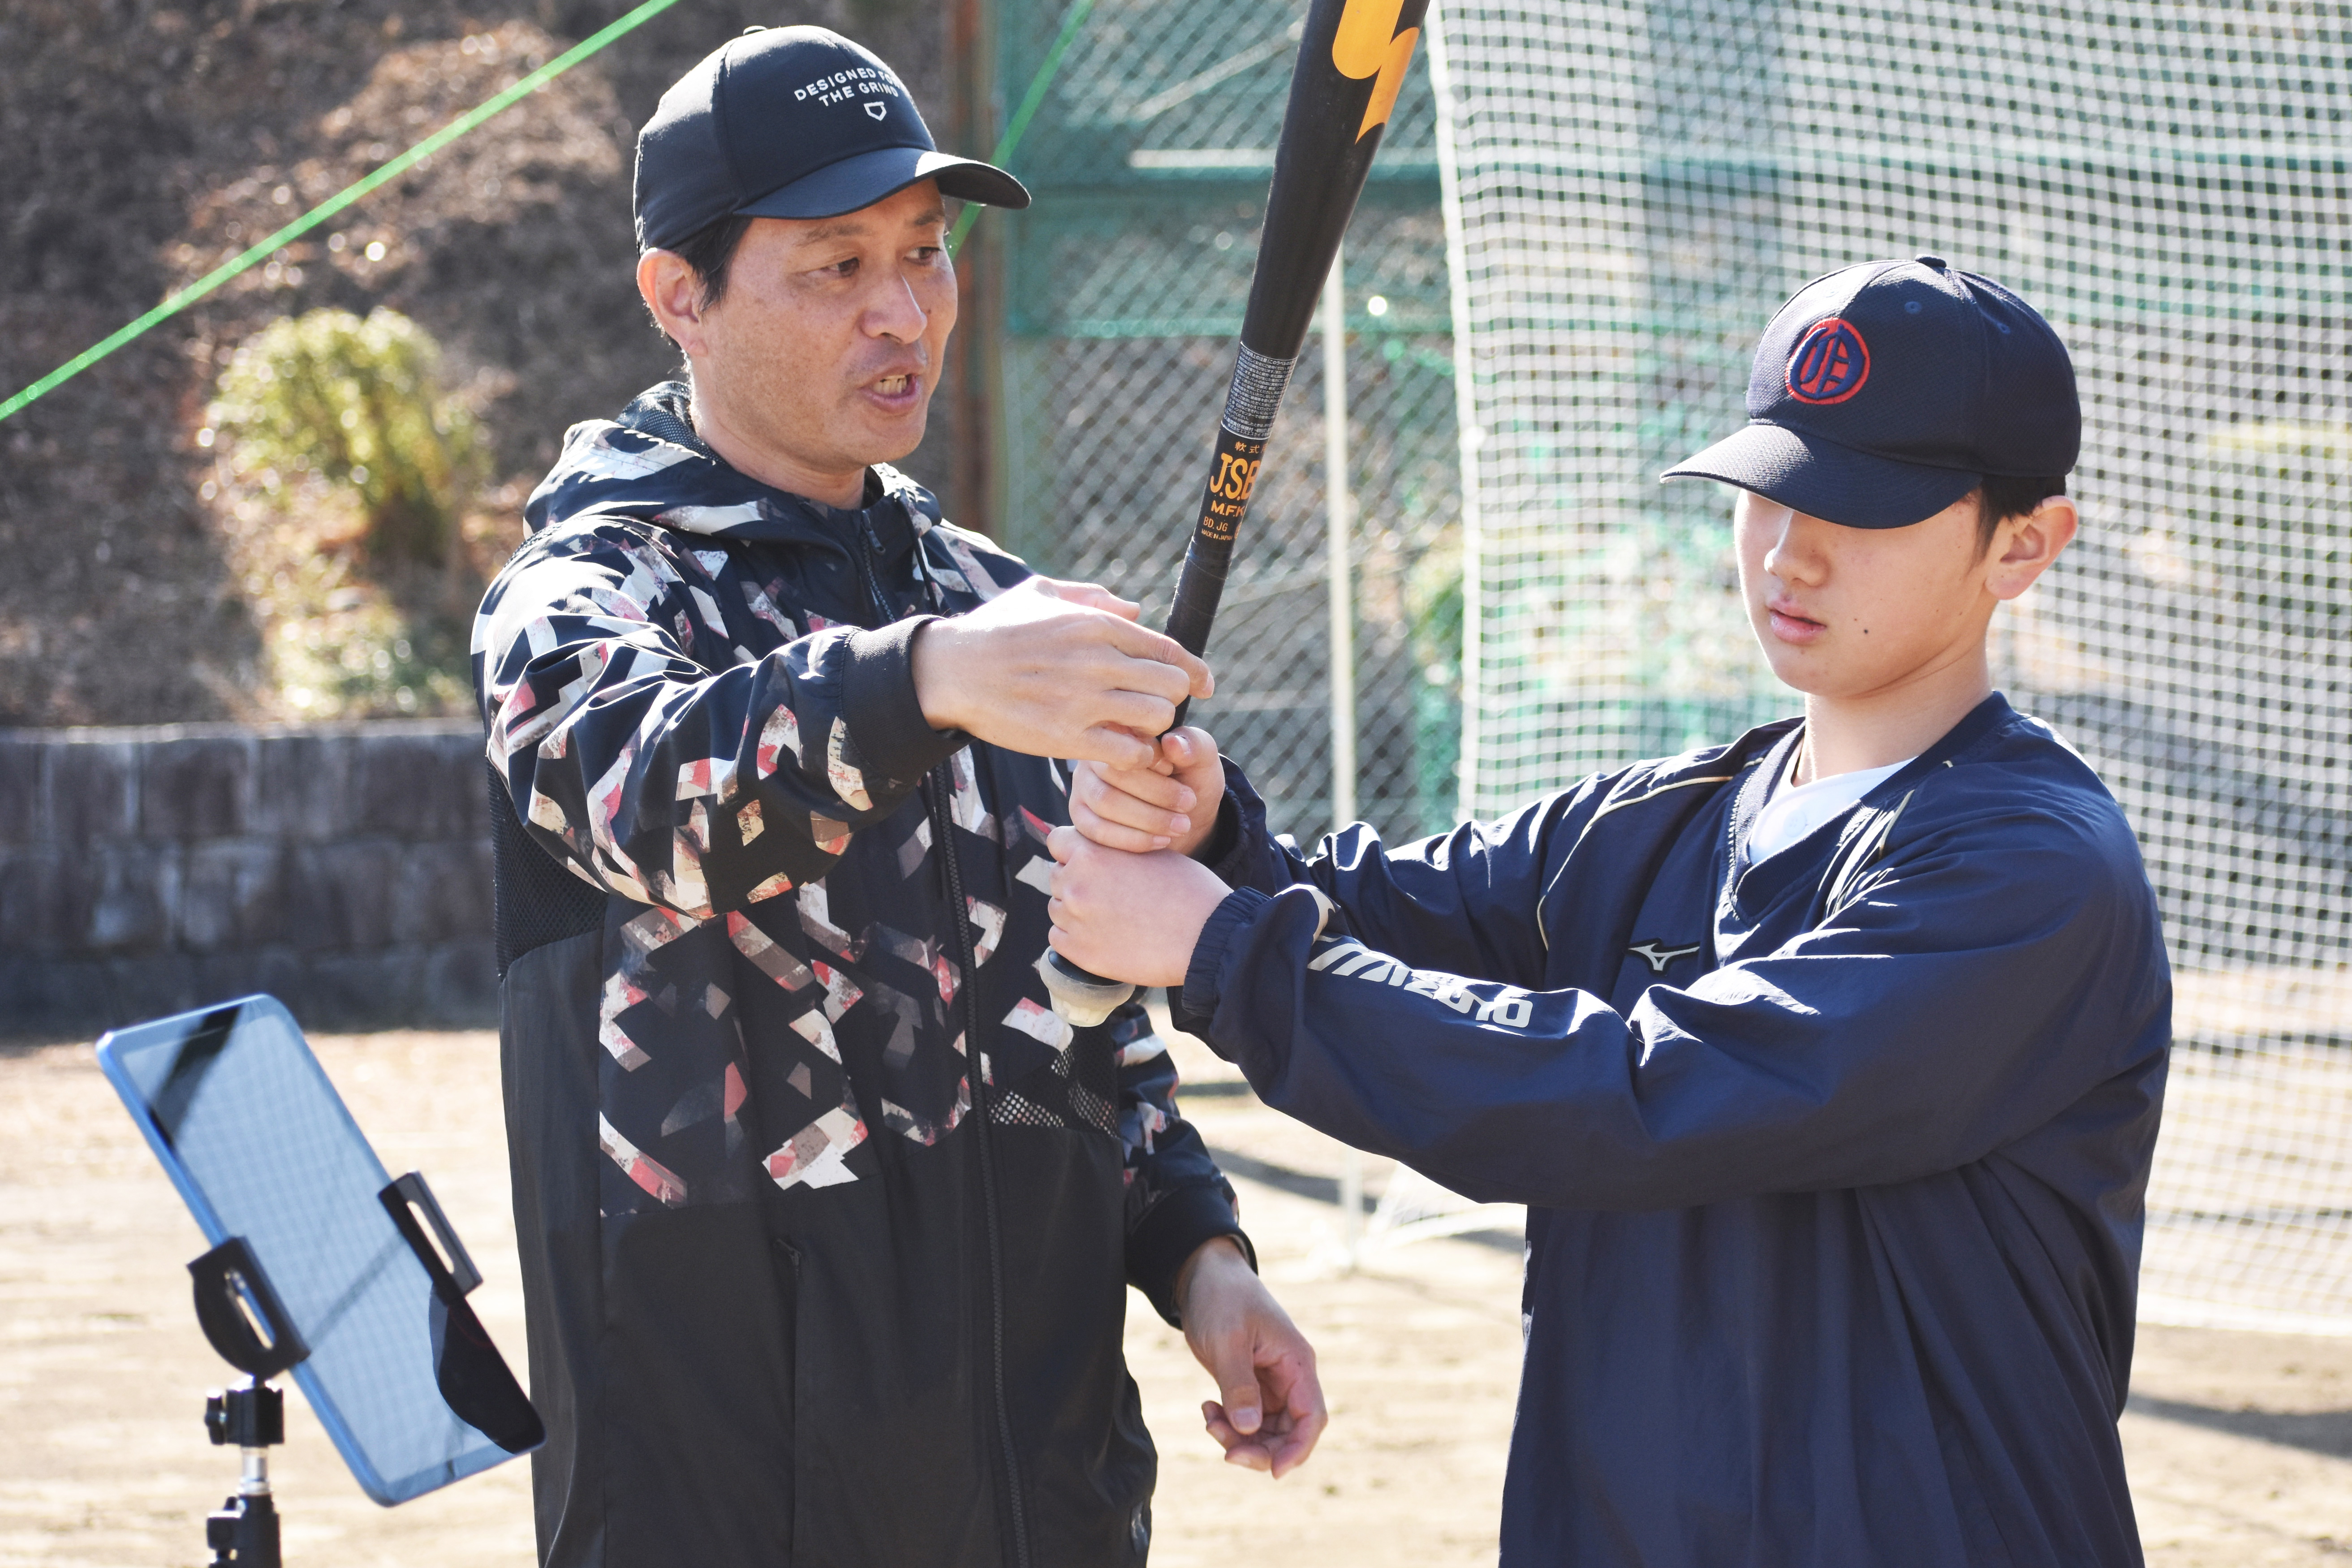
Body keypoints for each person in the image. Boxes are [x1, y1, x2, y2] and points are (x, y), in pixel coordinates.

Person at [1046, 257, 2171, 1566]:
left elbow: (1646, 1093)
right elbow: (1367, 910)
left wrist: (1213, 940)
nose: (1788, 552)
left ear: (2022, 543)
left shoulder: (2030, 868)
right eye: (1767, 491)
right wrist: (1214, 836)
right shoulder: (1657, 820)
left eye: (1863, 508)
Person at [473, 26, 1322, 1568]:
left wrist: (1199, 1258)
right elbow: (645, 802)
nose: (902, 313)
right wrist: (925, 680)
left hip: (1042, 1495)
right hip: (723, 1509)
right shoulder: (584, 599)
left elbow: (1081, 1021)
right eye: (833, 266)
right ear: (681, 297)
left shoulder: (990, 607)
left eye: (925, 256)